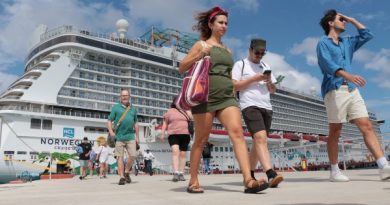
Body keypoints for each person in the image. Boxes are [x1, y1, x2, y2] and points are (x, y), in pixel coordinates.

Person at [178, 6, 269, 193]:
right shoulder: (201, 45)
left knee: (237, 134)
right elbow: (182, 67)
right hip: (205, 97)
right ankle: (193, 180)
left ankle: (248, 180)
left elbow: (228, 76)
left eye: (226, 23)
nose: (224, 26)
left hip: (227, 96)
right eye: (220, 22)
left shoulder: (227, 50)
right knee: (201, 140)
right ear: (211, 24)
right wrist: (199, 55)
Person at [317, 9, 390, 182]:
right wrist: (348, 75)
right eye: (341, 19)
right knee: (336, 131)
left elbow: (367, 34)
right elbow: (326, 64)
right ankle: (334, 171)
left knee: (366, 125)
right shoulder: (323, 43)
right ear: (330, 23)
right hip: (335, 90)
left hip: (351, 89)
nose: (345, 22)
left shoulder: (347, 42)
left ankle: (384, 166)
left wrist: (352, 18)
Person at [232, 38, 284, 188]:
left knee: (257, 141)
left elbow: (273, 91)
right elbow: (234, 85)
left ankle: (250, 174)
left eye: (262, 53)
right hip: (249, 105)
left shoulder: (265, 65)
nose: (259, 55)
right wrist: (254, 78)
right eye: (257, 52)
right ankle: (270, 173)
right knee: (261, 138)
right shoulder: (240, 65)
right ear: (250, 50)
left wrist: (269, 82)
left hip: (266, 106)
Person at [107, 89, 140, 185]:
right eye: (123, 95)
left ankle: (126, 172)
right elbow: (109, 120)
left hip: (130, 136)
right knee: (119, 157)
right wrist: (111, 132)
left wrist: (138, 137)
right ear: (120, 97)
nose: (125, 97)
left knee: (133, 155)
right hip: (119, 137)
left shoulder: (133, 109)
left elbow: (136, 123)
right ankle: (121, 177)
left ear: (129, 97)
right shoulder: (116, 108)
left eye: (126, 95)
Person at [160, 97, 192, 182]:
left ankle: (181, 173)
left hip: (185, 134)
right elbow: (165, 123)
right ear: (174, 102)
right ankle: (176, 173)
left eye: (180, 101)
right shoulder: (170, 111)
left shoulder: (186, 110)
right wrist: (162, 133)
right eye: (177, 101)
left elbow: (192, 118)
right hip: (173, 134)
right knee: (175, 151)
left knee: (183, 154)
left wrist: (186, 110)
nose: (179, 102)